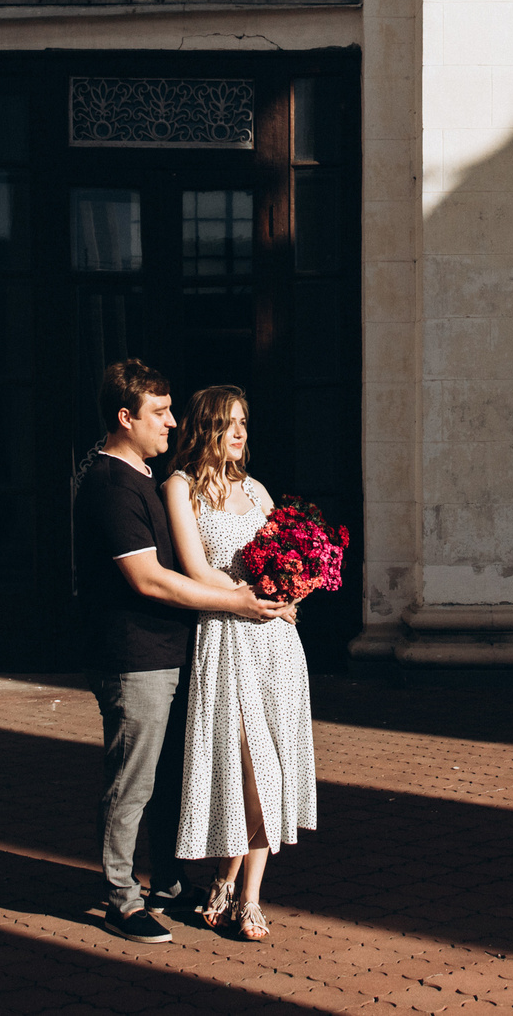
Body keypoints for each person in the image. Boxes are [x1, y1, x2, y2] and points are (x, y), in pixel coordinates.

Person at [74, 358, 284, 944]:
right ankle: (120, 897)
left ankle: (165, 883)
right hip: (133, 654)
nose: (172, 423)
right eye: (160, 413)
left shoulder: (141, 474)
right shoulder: (112, 484)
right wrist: (240, 602)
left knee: (170, 776)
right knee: (133, 780)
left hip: (175, 648)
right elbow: (150, 579)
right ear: (126, 417)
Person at [162, 385, 318, 942]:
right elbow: (195, 569)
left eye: (244, 423)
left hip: (275, 642)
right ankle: (228, 884)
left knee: (271, 767)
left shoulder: (257, 490)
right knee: (247, 765)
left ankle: (244, 895)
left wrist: (294, 590)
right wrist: (250, 596)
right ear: (204, 428)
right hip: (227, 635)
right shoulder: (179, 488)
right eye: (228, 423)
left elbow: (289, 555)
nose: (239, 433)